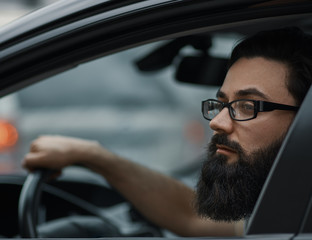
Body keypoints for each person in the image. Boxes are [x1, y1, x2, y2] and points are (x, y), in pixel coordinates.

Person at [22, 27, 312, 237]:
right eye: (222, 103)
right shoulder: (289, 208)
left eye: (247, 105)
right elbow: (190, 217)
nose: (217, 122)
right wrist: (92, 156)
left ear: (306, 122)